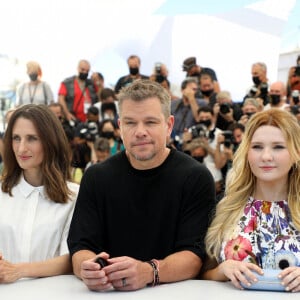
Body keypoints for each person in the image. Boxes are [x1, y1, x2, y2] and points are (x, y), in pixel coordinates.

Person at [67, 79, 216, 292]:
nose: (140, 131)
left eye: (150, 122)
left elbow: (194, 256)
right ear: (120, 126)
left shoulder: (196, 177)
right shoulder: (96, 177)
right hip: (108, 294)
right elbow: (81, 248)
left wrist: (148, 272)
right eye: (130, 123)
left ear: (169, 125)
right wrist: (88, 269)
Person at [202, 109, 300, 292]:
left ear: (296, 153)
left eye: (278, 147)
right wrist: (222, 270)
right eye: (257, 147)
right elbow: (203, 275)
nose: (266, 157)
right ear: (247, 152)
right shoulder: (227, 208)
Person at [0, 104, 79, 283]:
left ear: (50, 141)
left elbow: (72, 259)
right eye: (16, 138)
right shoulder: (1, 193)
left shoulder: (74, 196)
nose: (21, 149)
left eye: (32, 138)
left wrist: (19, 271)